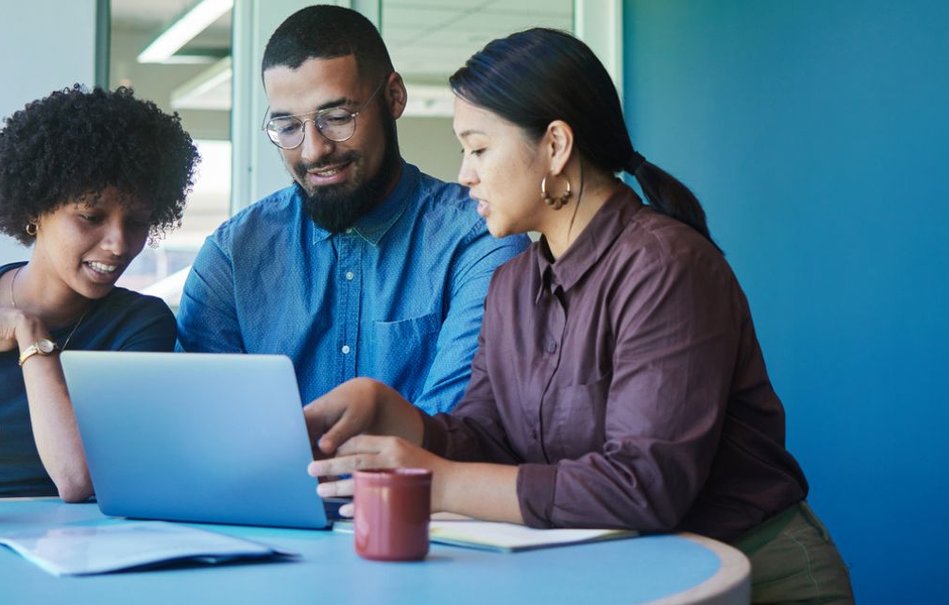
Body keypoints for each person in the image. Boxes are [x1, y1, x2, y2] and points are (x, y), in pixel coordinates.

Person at [303, 28, 855, 603]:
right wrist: (400, 418)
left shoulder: (666, 267)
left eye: (479, 147)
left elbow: (644, 487)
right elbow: (490, 437)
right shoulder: (512, 284)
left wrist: (437, 482)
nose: (465, 173)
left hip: (751, 577)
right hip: (634, 576)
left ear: (556, 146)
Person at [176, 5, 528, 412]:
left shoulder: (479, 237)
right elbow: (205, 427)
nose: (314, 150)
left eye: (337, 117)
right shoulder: (232, 257)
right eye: (288, 127)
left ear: (394, 96)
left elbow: (457, 425)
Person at [0, 85, 199, 501]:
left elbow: (79, 478)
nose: (118, 243)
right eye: (92, 217)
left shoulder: (139, 326)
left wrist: (29, 336)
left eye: (137, 222)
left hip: (71, 538)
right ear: (37, 209)